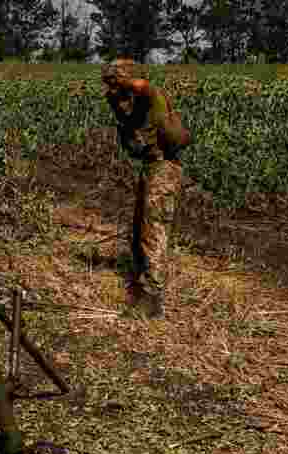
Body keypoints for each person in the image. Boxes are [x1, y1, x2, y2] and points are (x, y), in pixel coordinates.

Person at [101, 58, 192, 319]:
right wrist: (117, 100)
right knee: (141, 229)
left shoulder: (152, 95)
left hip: (164, 168)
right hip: (152, 167)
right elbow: (134, 138)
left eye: (114, 82)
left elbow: (145, 86)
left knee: (154, 230)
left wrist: (125, 82)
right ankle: (140, 284)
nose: (111, 89)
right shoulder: (131, 105)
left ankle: (151, 298)